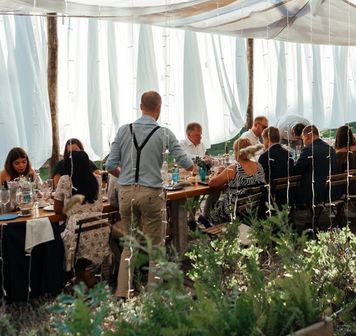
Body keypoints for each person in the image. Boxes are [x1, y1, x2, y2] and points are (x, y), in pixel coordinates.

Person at [105, 90, 194, 299]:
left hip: (126, 193)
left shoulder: (123, 130)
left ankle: (122, 293)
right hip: (152, 194)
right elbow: (188, 164)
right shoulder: (164, 133)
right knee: (156, 246)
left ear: (141, 106)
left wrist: (125, 176)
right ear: (159, 108)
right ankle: (154, 295)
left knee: (130, 245)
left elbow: (109, 165)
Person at [53, 151, 107, 277]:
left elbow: (56, 208)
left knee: (54, 236)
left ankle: (73, 275)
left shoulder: (65, 180)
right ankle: (87, 275)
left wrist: (71, 211)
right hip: (99, 230)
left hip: (77, 232)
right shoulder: (97, 178)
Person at [207, 138, 266, 223]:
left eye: (234, 151)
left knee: (212, 205)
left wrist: (217, 173)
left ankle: (204, 223)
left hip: (232, 213)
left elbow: (212, 183)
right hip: (253, 211)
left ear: (238, 152)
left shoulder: (233, 169)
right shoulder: (259, 166)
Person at [293, 125, 337, 206]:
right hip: (332, 191)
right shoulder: (330, 148)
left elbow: (296, 170)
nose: (304, 142)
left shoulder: (309, 150)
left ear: (309, 135)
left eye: (303, 138)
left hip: (314, 193)